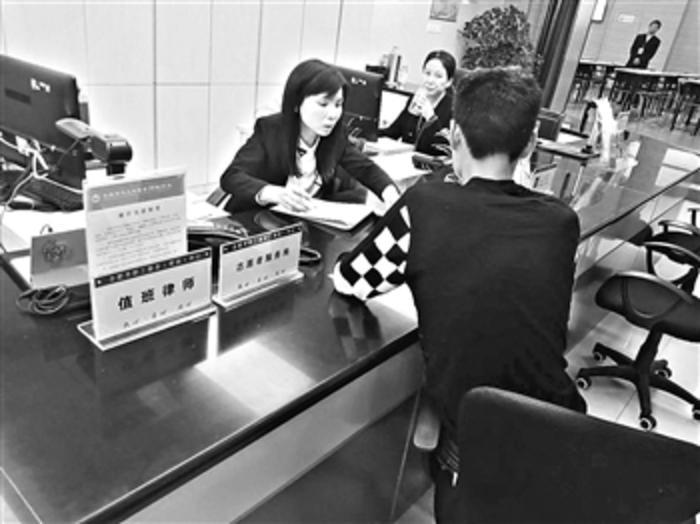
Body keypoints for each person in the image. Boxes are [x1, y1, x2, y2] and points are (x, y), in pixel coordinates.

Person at [332, 68, 586, 522]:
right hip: (559, 427)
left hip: (477, 439)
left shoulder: (425, 206)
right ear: (530, 145)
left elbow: (352, 280)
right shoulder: (561, 223)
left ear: (452, 136)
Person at [220, 59, 400, 213]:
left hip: (298, 223)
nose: (333, 114)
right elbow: (232, 176)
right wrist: (274, 193)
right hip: (253, 221)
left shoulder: (335, 136)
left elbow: (366, 168)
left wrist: (389, 192)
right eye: (323, 104)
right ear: (297, 103)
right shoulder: (270, 129)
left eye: (338, 105)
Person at [379, 50, 456, 156]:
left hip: (430, 164)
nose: (430, 80)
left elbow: (444, 148)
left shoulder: (453, 108)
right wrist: (367, 133)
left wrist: (430, 117)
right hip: (406, 160)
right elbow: (393, 132)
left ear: (449, 81)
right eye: (427, 73)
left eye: (438, 76)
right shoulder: (416, 99)